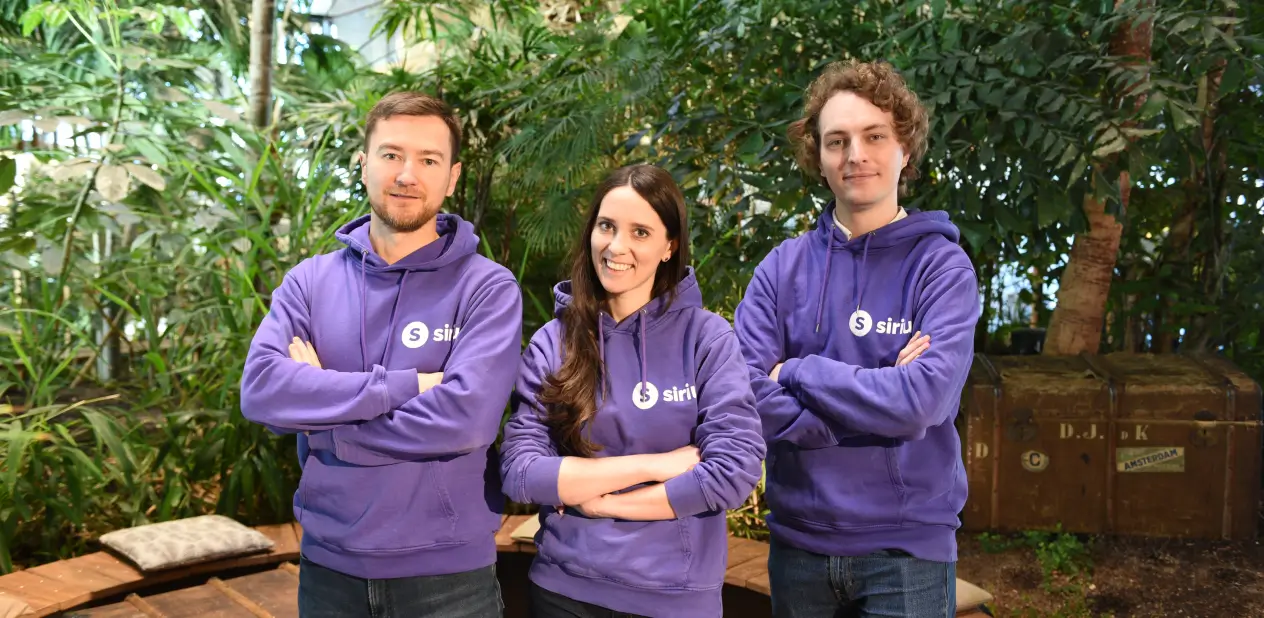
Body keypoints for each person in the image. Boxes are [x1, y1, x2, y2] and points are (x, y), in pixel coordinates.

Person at [240, 91, 523, 618]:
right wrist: (408, 386)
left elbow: (465, 421)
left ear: (452, 177)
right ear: (363, 163)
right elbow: (262, 392)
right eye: (392, 154)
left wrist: (323, 422)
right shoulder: (309, 282)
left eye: (428, 160)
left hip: (449, 578)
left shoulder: (487, 288)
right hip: (328, 572)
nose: (407, 175)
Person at [732, 59, 982, 617]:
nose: (855, 155)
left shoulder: (941, 268)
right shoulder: (782, 269)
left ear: (905, 150)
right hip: (798, 546)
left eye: (874, 136)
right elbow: (742, 392)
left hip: (907, 552)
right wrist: (868, 406)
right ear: (818, 158)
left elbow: (921, 403)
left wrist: (796, 371)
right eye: (836, 141)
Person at [500, 164, 766, 618]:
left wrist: (602, 505)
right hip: (565, 590)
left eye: (640, 232)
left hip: (675, 598)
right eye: (607, 226)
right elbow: (521, 471)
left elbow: (733, 471)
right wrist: (656, 464)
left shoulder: (706, 339)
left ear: (669, 246)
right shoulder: (554, 341)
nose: (616, 246)